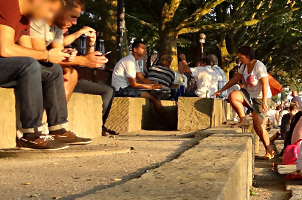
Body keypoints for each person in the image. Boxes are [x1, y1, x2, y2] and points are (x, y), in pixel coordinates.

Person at [1, 0, 93, 150]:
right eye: (51, 10)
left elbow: (30, 54)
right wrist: (47, 54)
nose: (51, 15)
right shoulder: (8, 5)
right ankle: (31, 134)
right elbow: (5, 49)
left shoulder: (25, 18)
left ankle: (58, 129)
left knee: (53, 70)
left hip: (7, 66)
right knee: (30, 66)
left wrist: (56, 56)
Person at [26, 0, 116, 136]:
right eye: (72, 16)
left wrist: (69, 65)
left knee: (70, 74)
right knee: (62, 72)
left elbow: (58, 54)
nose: (74, 22)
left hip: (39, 66)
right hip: (24, 65)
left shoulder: (56, 28)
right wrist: (83, 60)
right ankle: (41, 126)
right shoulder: (38, 21)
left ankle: (50, 125)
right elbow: (43, 56)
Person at [212, 46, 274, 159]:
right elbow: (235, 78)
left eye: (241, 57)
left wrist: (264, 102)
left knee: (258, 126)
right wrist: (221, 90)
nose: (239, 60)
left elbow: (265, 84)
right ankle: (243, 119)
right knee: (233, 96)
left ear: (248, 57)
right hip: (249, 95)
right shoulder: (243, 66)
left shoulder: (259, 66)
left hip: (260, 98)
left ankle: (268, 149)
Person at [111, 40, 175, 129]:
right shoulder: (129, 62)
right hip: (122, 90)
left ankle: (168, 123)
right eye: (143, 48)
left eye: (145, 49)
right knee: (155, 99)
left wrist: (155, 83)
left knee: (154, 96)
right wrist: (152, 87)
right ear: (135, 49)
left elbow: (142, 79)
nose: (145, 50)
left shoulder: (134, 61)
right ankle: (170, 124)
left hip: (127, 87)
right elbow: (134, 84)